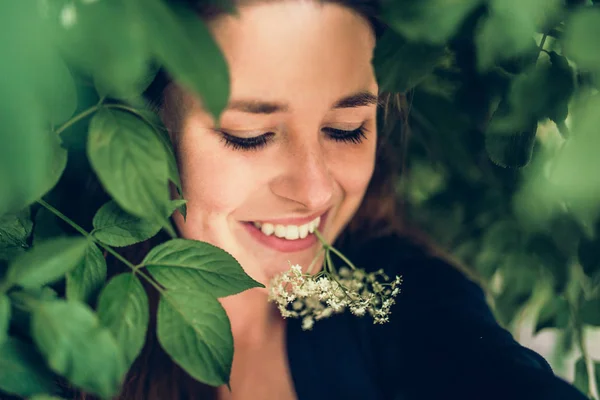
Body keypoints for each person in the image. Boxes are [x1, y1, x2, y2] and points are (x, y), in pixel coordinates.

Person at [60, 0, 587, 399]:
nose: (315, 191)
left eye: (346, 129)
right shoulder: (50, 322)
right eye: (249, 135)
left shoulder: (395, 297)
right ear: (136, 125)